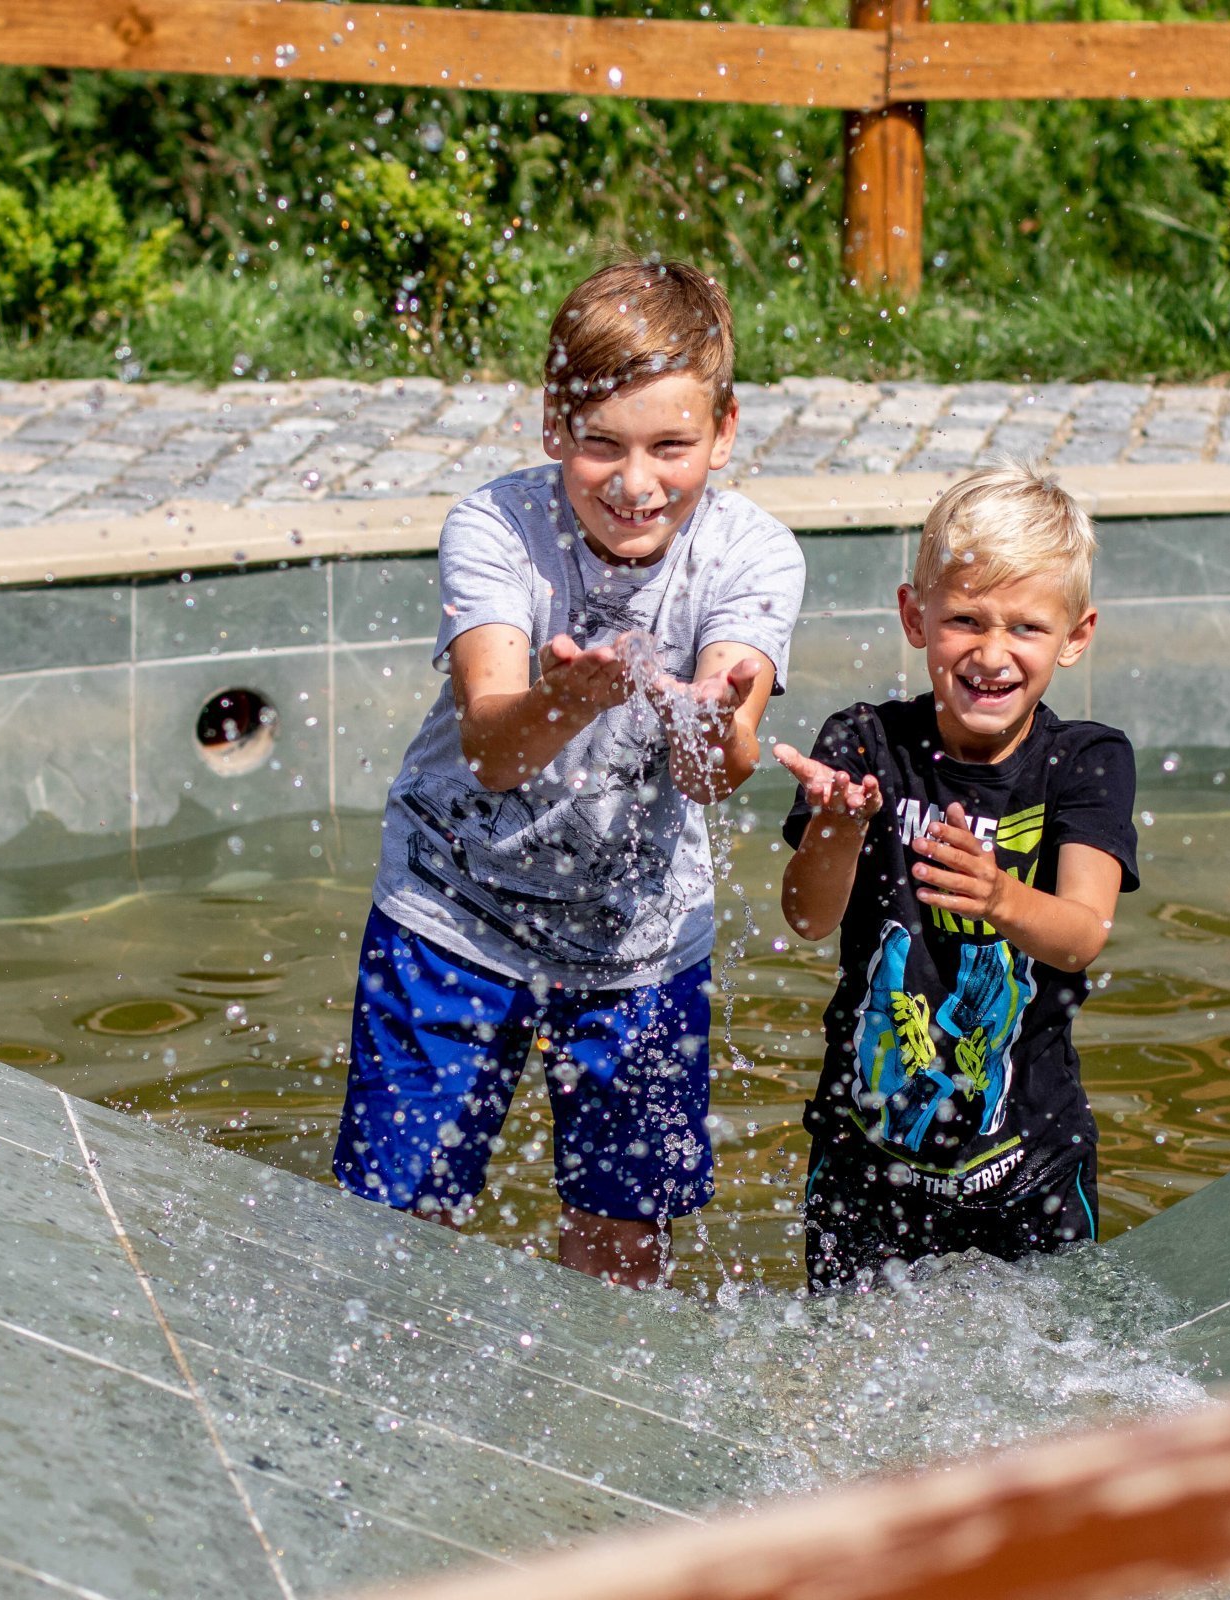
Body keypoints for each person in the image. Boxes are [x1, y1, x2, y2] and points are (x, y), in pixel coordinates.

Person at [331, 258, 805, 1288]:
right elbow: (494, 748)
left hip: (638, 941)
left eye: (672, 447)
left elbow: (717, 776)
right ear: (554, 427)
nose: (637, 484)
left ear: (725, 433)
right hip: (448, 913)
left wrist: (708, 716)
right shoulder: (497, 528)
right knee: (398, 1226)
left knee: (624, 1248)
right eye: (602, 446)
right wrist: (570, 699)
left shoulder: (753, 555)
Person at [773, 460, 1137, 1292]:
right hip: (866, 1163)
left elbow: (1082, 937)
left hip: (1029, 1170)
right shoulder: (865, 746)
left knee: (1049, 1378)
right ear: (914, 616)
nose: (992, 654)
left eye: (1027, 629)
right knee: (845, 1370)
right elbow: (806, 917)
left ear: (1076, 636)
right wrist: (837, 825)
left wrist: (1003, 899)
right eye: (965, 620)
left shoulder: (1084, 763)